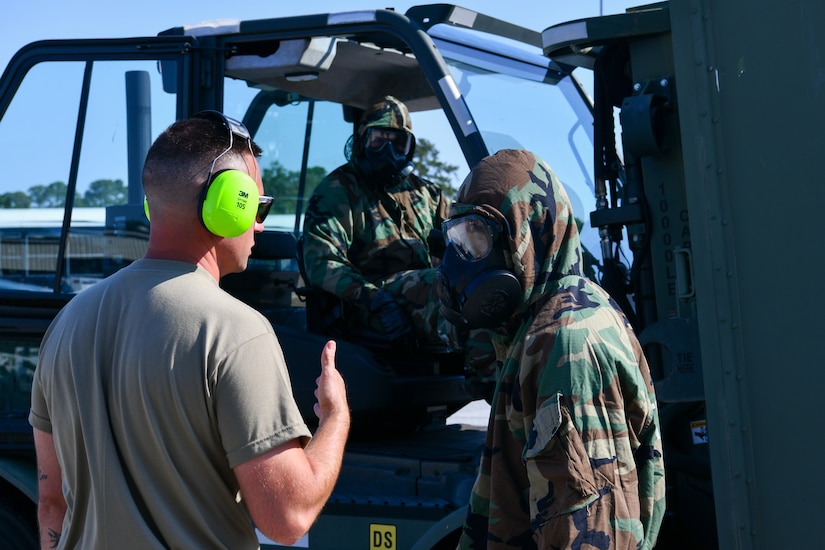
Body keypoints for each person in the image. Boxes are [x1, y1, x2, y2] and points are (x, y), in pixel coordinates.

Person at [28, 111, 350, 549]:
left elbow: (52, 504)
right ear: (225, 205)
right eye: (258, 205)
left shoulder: (66, 322)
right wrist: (335, 419)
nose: (259, 224)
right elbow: (287, 517)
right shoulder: (236, 332)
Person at [436, 149, 666, 549]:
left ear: (529, 234)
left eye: (478, 239)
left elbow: (589, 533)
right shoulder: (538, 326)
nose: (465, 261)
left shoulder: (566, 342)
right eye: (459, 241)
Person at [301, 95, 461, 354]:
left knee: (475, 288)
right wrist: (378, 302)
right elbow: (322, 261)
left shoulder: (427, 193)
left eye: (398, 142)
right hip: (367, 302)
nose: (388, 151)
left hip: (422, 289)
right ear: (363, 141)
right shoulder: (337, 190)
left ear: (409, 147)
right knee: (445, 288)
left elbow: (464, 236)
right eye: (378, 140)